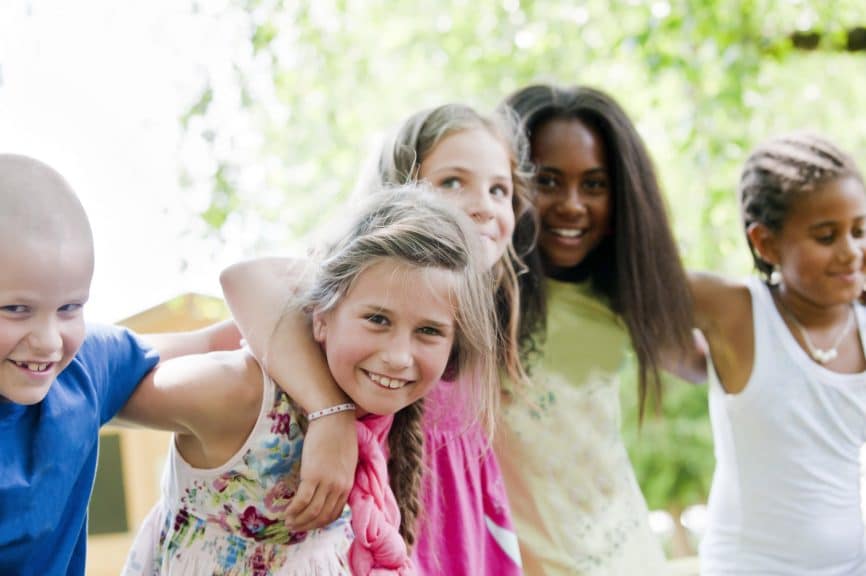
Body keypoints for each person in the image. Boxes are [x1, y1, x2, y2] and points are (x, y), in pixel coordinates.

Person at [122, 186, 499, 575]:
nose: (399, 356)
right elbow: (97, 384)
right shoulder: (246, 395)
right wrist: (329, 411)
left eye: (429, 331)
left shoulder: (386, 423)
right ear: (320, 316)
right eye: (377, 319)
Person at [222, 103, 533, 575]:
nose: (483, 205)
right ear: (401, 193)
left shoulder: (482, 319)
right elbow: (244, 279)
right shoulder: (362, 295)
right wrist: (331, 412)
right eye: (452, 182)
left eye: (499, 189)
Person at [0, 154, 239, 576]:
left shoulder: (83, 368)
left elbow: (215, 339)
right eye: (16, 309)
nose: (49, 340)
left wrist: (328, 410)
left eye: (70, 307)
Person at [497, 85, 698, 575]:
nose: (572, 204)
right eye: (547, 180)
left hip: (629, 560)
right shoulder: (469, 300)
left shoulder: (626, 301)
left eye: (594, 184)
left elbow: (717, 365)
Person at [693, 133, 866, 574]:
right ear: (766, 244)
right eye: (826, 236)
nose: (850, 251)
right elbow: (640, 277)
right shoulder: (738, 313)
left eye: (860, 230)